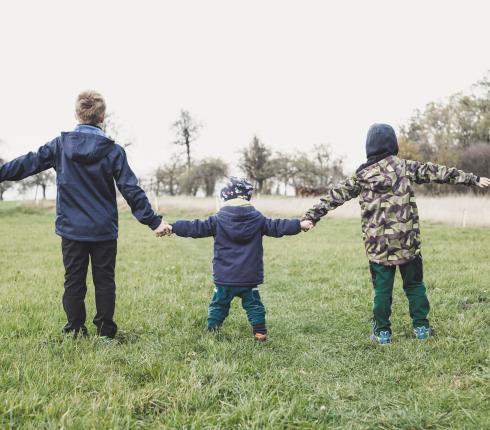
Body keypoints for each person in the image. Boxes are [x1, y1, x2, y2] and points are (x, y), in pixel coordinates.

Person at [0, 90, 168, 340]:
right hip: (103, 230)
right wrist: (153, 221)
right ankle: (105, 332)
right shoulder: (113, 150)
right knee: (105, 282)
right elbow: (130, 189)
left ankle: (75, 330)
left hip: (71, 230)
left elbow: (27, 164)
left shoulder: (60, 145)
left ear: (76, 115)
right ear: (102, 117)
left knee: (74, 281)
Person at [302, 123, 490, 344]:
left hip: (378, 247)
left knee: (382, 291)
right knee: (414, 286)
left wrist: (311, 216)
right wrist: (472, 179)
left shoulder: (361, 176)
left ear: (369, 147)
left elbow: (334, 196)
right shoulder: (404, 167)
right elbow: (438, 172)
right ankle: (421, 328)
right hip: (407, 242)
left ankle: (382, 333)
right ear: (393, 144)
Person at [159, 177, 313, 341]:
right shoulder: (258, 219)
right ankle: (260, 334)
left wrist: (174, 227)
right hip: (249, 277)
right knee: (254, 306)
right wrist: (299, 225)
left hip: (225, 277)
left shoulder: (217, 220)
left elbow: (195, 227)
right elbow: (278, 226)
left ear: (225, 197)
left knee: (219, 304)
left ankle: (212, 331)